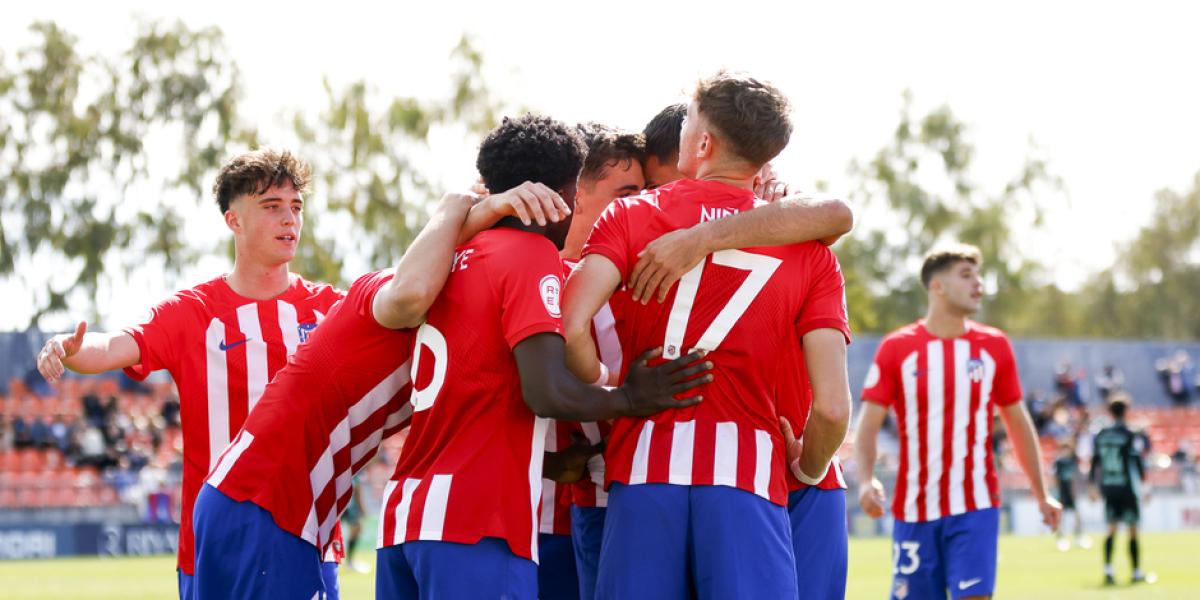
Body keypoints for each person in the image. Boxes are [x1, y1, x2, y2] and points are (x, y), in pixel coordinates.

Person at [375, 114, 713, 600]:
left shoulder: (449, 257)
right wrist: (630, 398)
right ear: (561, 195)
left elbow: (480, 391)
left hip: (407, 514)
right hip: (476, 521)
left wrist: (553, 462)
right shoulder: (531, 255)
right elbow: (546, 391)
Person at [192, 181, 565, 599]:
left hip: (262, 499)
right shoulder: (383, 289)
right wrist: (456, 205)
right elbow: (410, 292)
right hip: (267, 498)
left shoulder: (464, 309)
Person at [562, 71, 852, 599]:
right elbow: (832, 409)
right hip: (749, 476)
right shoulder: (810, 250)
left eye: (688, 121)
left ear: (702, 143)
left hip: (644, 469)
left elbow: (572, 324)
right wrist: (807, 469)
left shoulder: (630, 215)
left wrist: (609, 386)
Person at [34, 149, 347, 599]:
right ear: (234, 221)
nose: (289, 219)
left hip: (306, 542)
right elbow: (117, 345)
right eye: (271, 206)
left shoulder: (332, 311)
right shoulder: (193, 312)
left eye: (296, 207)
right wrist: (71, 346)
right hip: (215, 549)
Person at [855, 244, 1061, 600]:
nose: (978, 283)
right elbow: (868, 425)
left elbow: (1017, 422)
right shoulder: (896, 348)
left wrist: (1041, 494)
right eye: (966, 275)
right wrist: (864, 481)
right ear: (937, 286)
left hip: (975, 504)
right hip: (915, 509)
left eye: (978, 275)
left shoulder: (994, 346)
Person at [1089, 392, 1148, 585]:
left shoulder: (1101, 434)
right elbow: (1137, 461)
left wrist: (1092, 484)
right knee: (1132, 530)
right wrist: (1145, 486)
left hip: (1109, 486)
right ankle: (1136, 572)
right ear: (1126, 411)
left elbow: (1095, 461)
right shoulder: (1130, 434)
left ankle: (1108, 570)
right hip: (1126, 487)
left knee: (1111, 529)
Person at [1052, 441, 1089, 551]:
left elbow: (1076, 477)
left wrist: (1075, 491)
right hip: (1062, 492)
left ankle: (1078, 537)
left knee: (1077, 516)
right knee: (1060, 517)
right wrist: (1057, 492)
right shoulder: (1058, 462)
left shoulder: (1073, 461)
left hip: (1072, 493)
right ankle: (1061, 539)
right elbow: (1055, 478)